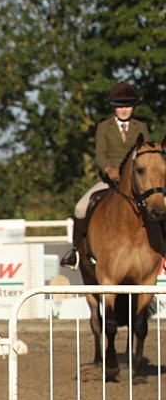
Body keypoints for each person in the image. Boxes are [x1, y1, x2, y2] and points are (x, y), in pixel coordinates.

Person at [61, 81, 149, 269]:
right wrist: (109, 169)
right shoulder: (104, 127)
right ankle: (75, 252)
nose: (124, 110)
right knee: (80, 208)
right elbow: (100, 154)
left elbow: (146, 154)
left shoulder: (141, 127)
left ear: (133, 107)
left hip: (136, 182)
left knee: (158, 204)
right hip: (109, 181)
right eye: (120, 107)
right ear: (114, 108)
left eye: (128, 106)